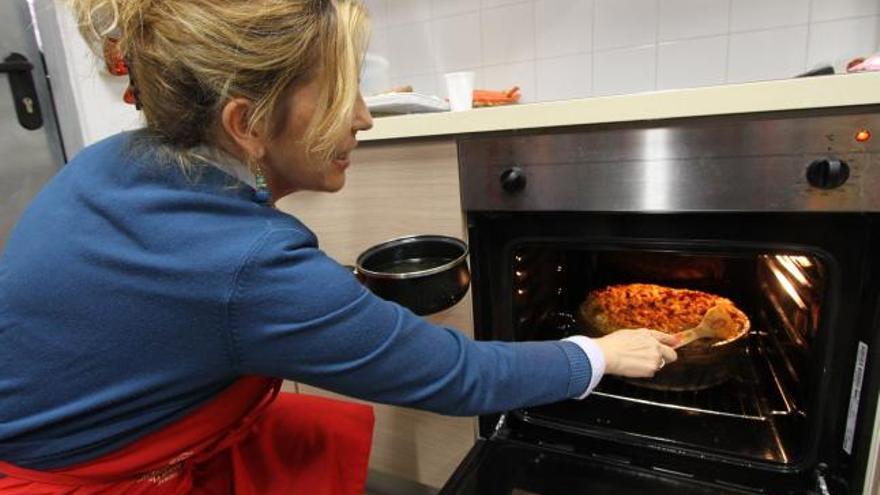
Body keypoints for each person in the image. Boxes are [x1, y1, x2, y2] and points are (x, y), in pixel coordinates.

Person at [0, 0, 678, 493]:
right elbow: (460, 375)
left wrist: (336, 295)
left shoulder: (107, 161)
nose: (364, 116)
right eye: (341, 93)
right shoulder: (254, 267)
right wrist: (600, 351)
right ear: (247, 124)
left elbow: (190, 299)